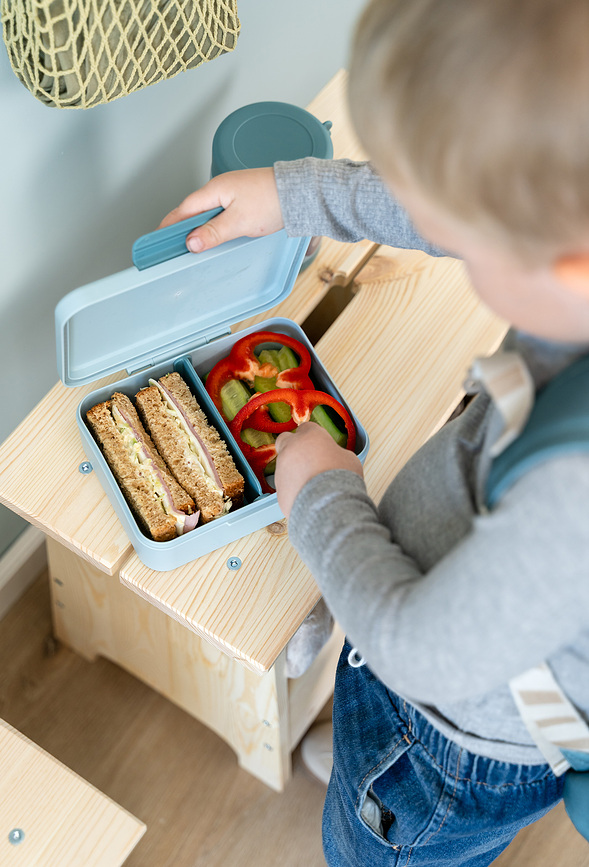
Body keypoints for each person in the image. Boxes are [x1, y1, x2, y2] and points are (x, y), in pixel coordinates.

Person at [160, 1, 589, 863]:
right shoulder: (565, 248)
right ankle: (367, 757)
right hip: (437, 669)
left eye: (462, 239)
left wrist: (321, 495)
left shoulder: (574, 497)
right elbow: (456, 197)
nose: (440, 234)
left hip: (452, 747)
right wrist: (295, 194)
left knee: (374, 844)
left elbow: (420, 652)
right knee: (369, 748)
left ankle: (379, 802)